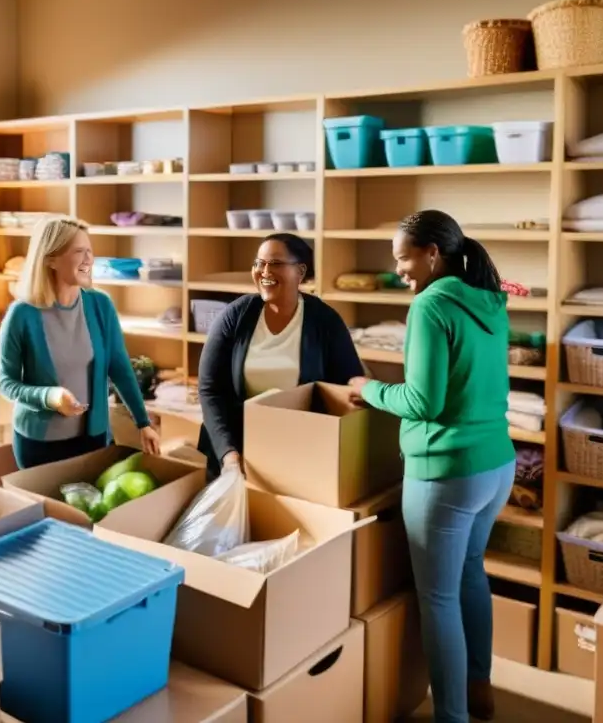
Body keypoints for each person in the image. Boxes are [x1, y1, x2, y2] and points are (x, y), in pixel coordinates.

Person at [347, 209, 515, 723]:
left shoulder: (430, 304)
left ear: (432, 253)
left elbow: (423, 400)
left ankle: (453, 716)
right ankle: (480, 690)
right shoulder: (489, 300)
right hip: (496, 466)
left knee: (437, 599)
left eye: (403, 259)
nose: (399, 270)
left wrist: (367, 389)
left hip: (444, 472)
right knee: (471, 575)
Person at [0, 217, 160, 468]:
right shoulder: (22, 314)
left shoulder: (100, 305)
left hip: (92, 440)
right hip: (39, 445)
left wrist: (143, 422)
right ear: (50, 259)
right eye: (78, 252)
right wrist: (49, 396)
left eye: (89, 251)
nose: (88, 260)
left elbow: (120, 368)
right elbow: (6, 384)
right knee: (47, 508)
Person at [197, 232, 364, 478]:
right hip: (236, 450)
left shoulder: (324, 320)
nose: (264, 271)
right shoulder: (236, 316)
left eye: (275, 264)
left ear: (300, 271)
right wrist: (229, 455)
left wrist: (366, 390)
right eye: (259, 263)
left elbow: (348, 379)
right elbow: (210, 389)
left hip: (298, 449)